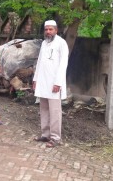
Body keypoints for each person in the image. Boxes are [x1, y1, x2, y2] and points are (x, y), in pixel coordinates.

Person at [33, 20, 69, 148]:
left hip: (54, 83)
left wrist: (58, 82)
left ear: (56, 30)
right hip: (43, 82)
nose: (48, 32)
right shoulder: (44, 43)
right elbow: (40, 63)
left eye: (50, 29)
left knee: (55, 111)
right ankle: (45, 134)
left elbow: (63, 65)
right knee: (43, 109)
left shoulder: (61, 43)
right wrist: (35, 79)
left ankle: (55, 137)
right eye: (46, 29)